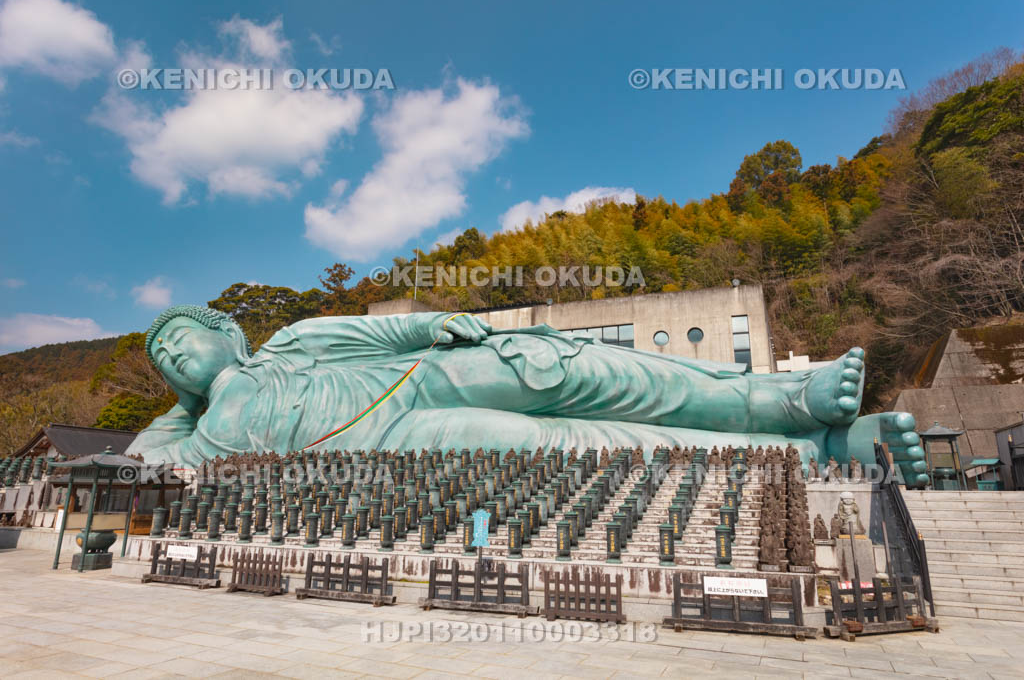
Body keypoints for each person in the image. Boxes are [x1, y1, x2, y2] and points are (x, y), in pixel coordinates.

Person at [126, 305, 928, 486]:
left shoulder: (293, 343)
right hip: (394, 443)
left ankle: (783, 397)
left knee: (573, 368)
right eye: (162, 359)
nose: (172, 355)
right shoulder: (198, 430)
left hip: (417, 376)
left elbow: (390, 332)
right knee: (564, 448)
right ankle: (812, 450)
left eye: (181, 337)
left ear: (229, 329)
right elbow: (138, 460)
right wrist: (189, 404)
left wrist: (435, 324)